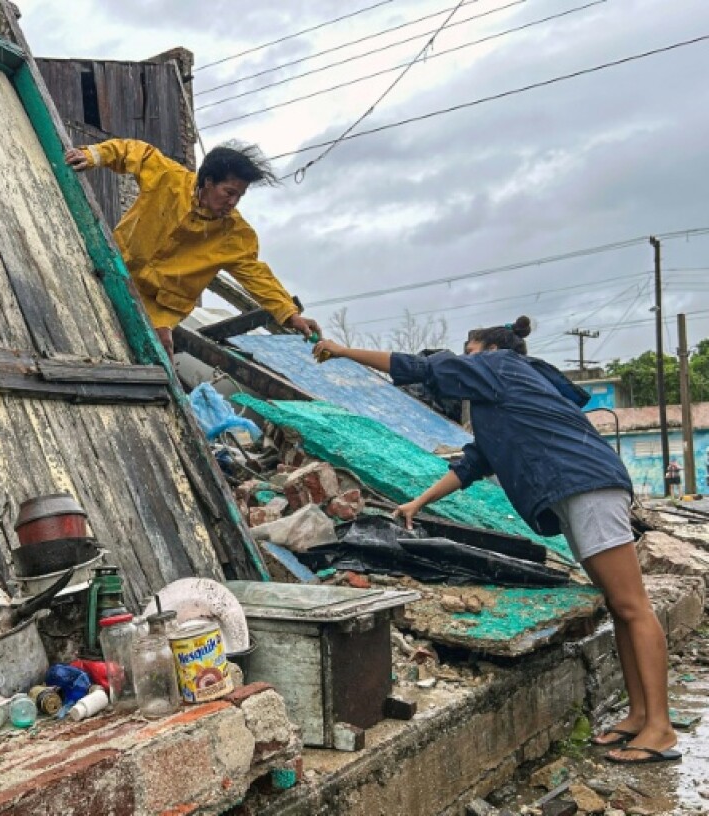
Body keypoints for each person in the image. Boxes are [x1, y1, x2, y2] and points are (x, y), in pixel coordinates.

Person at [313, 316, 680, 765]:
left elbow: (421, 367)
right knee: (621, 609)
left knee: (633, 606)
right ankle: (639, 715)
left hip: (585, 485)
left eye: (467, 346)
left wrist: (344, 351)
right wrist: (417, 503)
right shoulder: (502, 400)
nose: (461, 356)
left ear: (485, 348)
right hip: (572, 489)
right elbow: (471, 465)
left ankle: (659, 729)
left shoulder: (498, 366)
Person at [64, 139, 320, 357]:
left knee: (159, 349)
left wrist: (290, 315)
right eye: (228, 192)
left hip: (161, 305)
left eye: (239, 196)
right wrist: (93, 155)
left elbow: (258, 277)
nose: (232, 202)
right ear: (208, 181)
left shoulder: (235, 236)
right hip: (118, 265)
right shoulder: (168, 178)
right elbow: (133, 150)